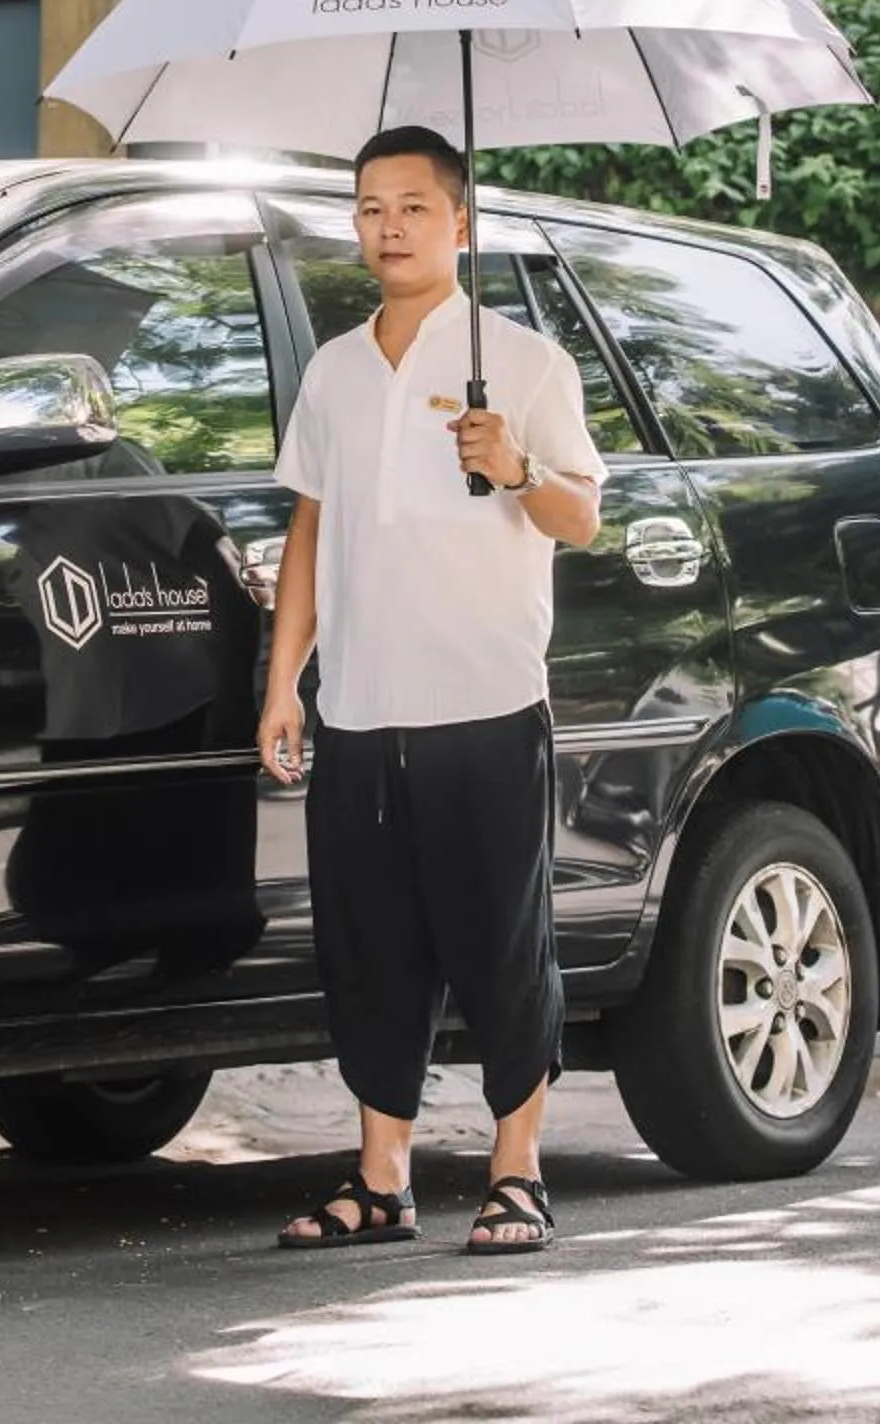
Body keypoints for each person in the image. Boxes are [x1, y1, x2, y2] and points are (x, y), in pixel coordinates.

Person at [261, 125, 606, 1256]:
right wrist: (286, 682)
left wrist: (517, 465)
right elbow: (310, 530)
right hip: (361, 707)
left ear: (460, 221)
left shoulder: (524, 361)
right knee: (369, 948)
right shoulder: (333, 371)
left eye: (412, 206)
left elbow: (581, 516)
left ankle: (517, 1170)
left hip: (486, 703)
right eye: (369, 208)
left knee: (501, 944)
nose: (388, 226)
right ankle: (382, 1178)